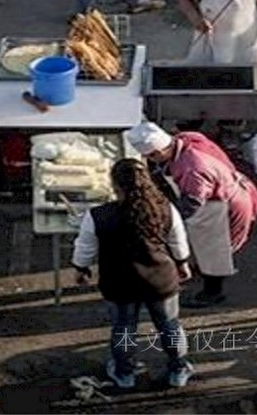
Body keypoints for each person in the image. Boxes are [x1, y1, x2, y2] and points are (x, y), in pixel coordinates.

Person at [71, 159, 194, 389]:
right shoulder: (164, 208)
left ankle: (124, 374)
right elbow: (178, 241)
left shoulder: (98, 215)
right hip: (160, 281)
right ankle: (178, 370)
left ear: (114, 184)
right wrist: (182, 263)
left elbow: (85, 247)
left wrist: (81, 268)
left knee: (124, 329)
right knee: (169, 326)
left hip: (120, 282)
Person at [126, 121, 257, 308]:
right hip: (224, 190)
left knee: (213, 250)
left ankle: (213, 292)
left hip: (220, 204)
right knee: (203, 246)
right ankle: (200, 268)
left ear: (158, 152)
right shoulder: (187, 138)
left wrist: (168, 222)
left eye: (150, 157)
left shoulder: (193, 167)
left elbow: (192, 203)